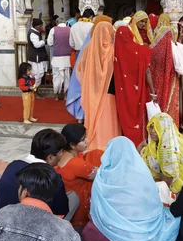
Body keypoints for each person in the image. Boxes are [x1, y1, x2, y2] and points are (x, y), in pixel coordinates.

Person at [83, 137, 180, 241]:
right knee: (174, 218)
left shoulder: (102, 176)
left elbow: (96, 210)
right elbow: (154, 205)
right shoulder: (142, 173)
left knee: (93, 228)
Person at [0, 128, 78, 220]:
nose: (62, 155)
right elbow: (62, 210)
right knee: (74, 197)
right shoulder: (53, 178)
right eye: (61, 152)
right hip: (33, 227)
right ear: (50, 157)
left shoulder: (12, 165)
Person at [77, 21, 120, 150]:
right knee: (109, 120)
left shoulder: (89, 47)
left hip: (93, 92)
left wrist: (91, 82)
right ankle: (109, 146)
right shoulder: (113, 49)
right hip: (109, 92)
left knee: (95, 118)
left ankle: (95, 144)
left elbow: (80, 69)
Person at [114, 26, 156, 147]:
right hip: (139, 91)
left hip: (123, 93)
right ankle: (140, 143)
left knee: (126, 116)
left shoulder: (115, 52)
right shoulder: (141, 50)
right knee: (140, 116)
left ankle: (128, 143)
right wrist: (153, 91)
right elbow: (147, 72)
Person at [65, 15, 112, 124]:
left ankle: (82, 115)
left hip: (79, 54)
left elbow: (71, 43)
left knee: (84, 89)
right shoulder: (103, 44)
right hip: (94, 72)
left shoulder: (76, 27)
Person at [56, 124, 102, 227]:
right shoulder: (76, 164)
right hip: (79, 212)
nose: (87, 140)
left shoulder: (62, 154)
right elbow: (103, 174)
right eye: (83, 139)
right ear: (72, 145)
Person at [139, 112, 183, 193]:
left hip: (172, 186)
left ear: (165, 129)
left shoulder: (170, 149)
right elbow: (140, 147)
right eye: (151, 127)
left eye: (157, 128)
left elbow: (167, 181)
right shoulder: (156, 141)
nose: (152, 131)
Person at [149, 23, 179, 125]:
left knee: (156, 105)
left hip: (154, 82)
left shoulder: (153, 49)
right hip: (167, 82)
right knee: (167, 103)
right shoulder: (172, 50)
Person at [47, 18, 71, 101]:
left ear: (57, 22)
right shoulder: (70, 29)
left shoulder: (53, 30)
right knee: (67, 77)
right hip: (67, 57)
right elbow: (72, 43)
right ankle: (65, 95)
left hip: (57, 57)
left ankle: (56, 96)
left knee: (56, 76)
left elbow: (49, 43)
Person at [27, 18, 48, 98]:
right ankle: (34, 92)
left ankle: (35, 92)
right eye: (41, 25)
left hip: (37, 58)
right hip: (36, 58)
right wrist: (45, 41)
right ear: (38, 26)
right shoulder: (33, 33)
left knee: (37, 76)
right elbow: (37, 45)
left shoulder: (35, 32)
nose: (42, 27)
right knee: (37, 76)